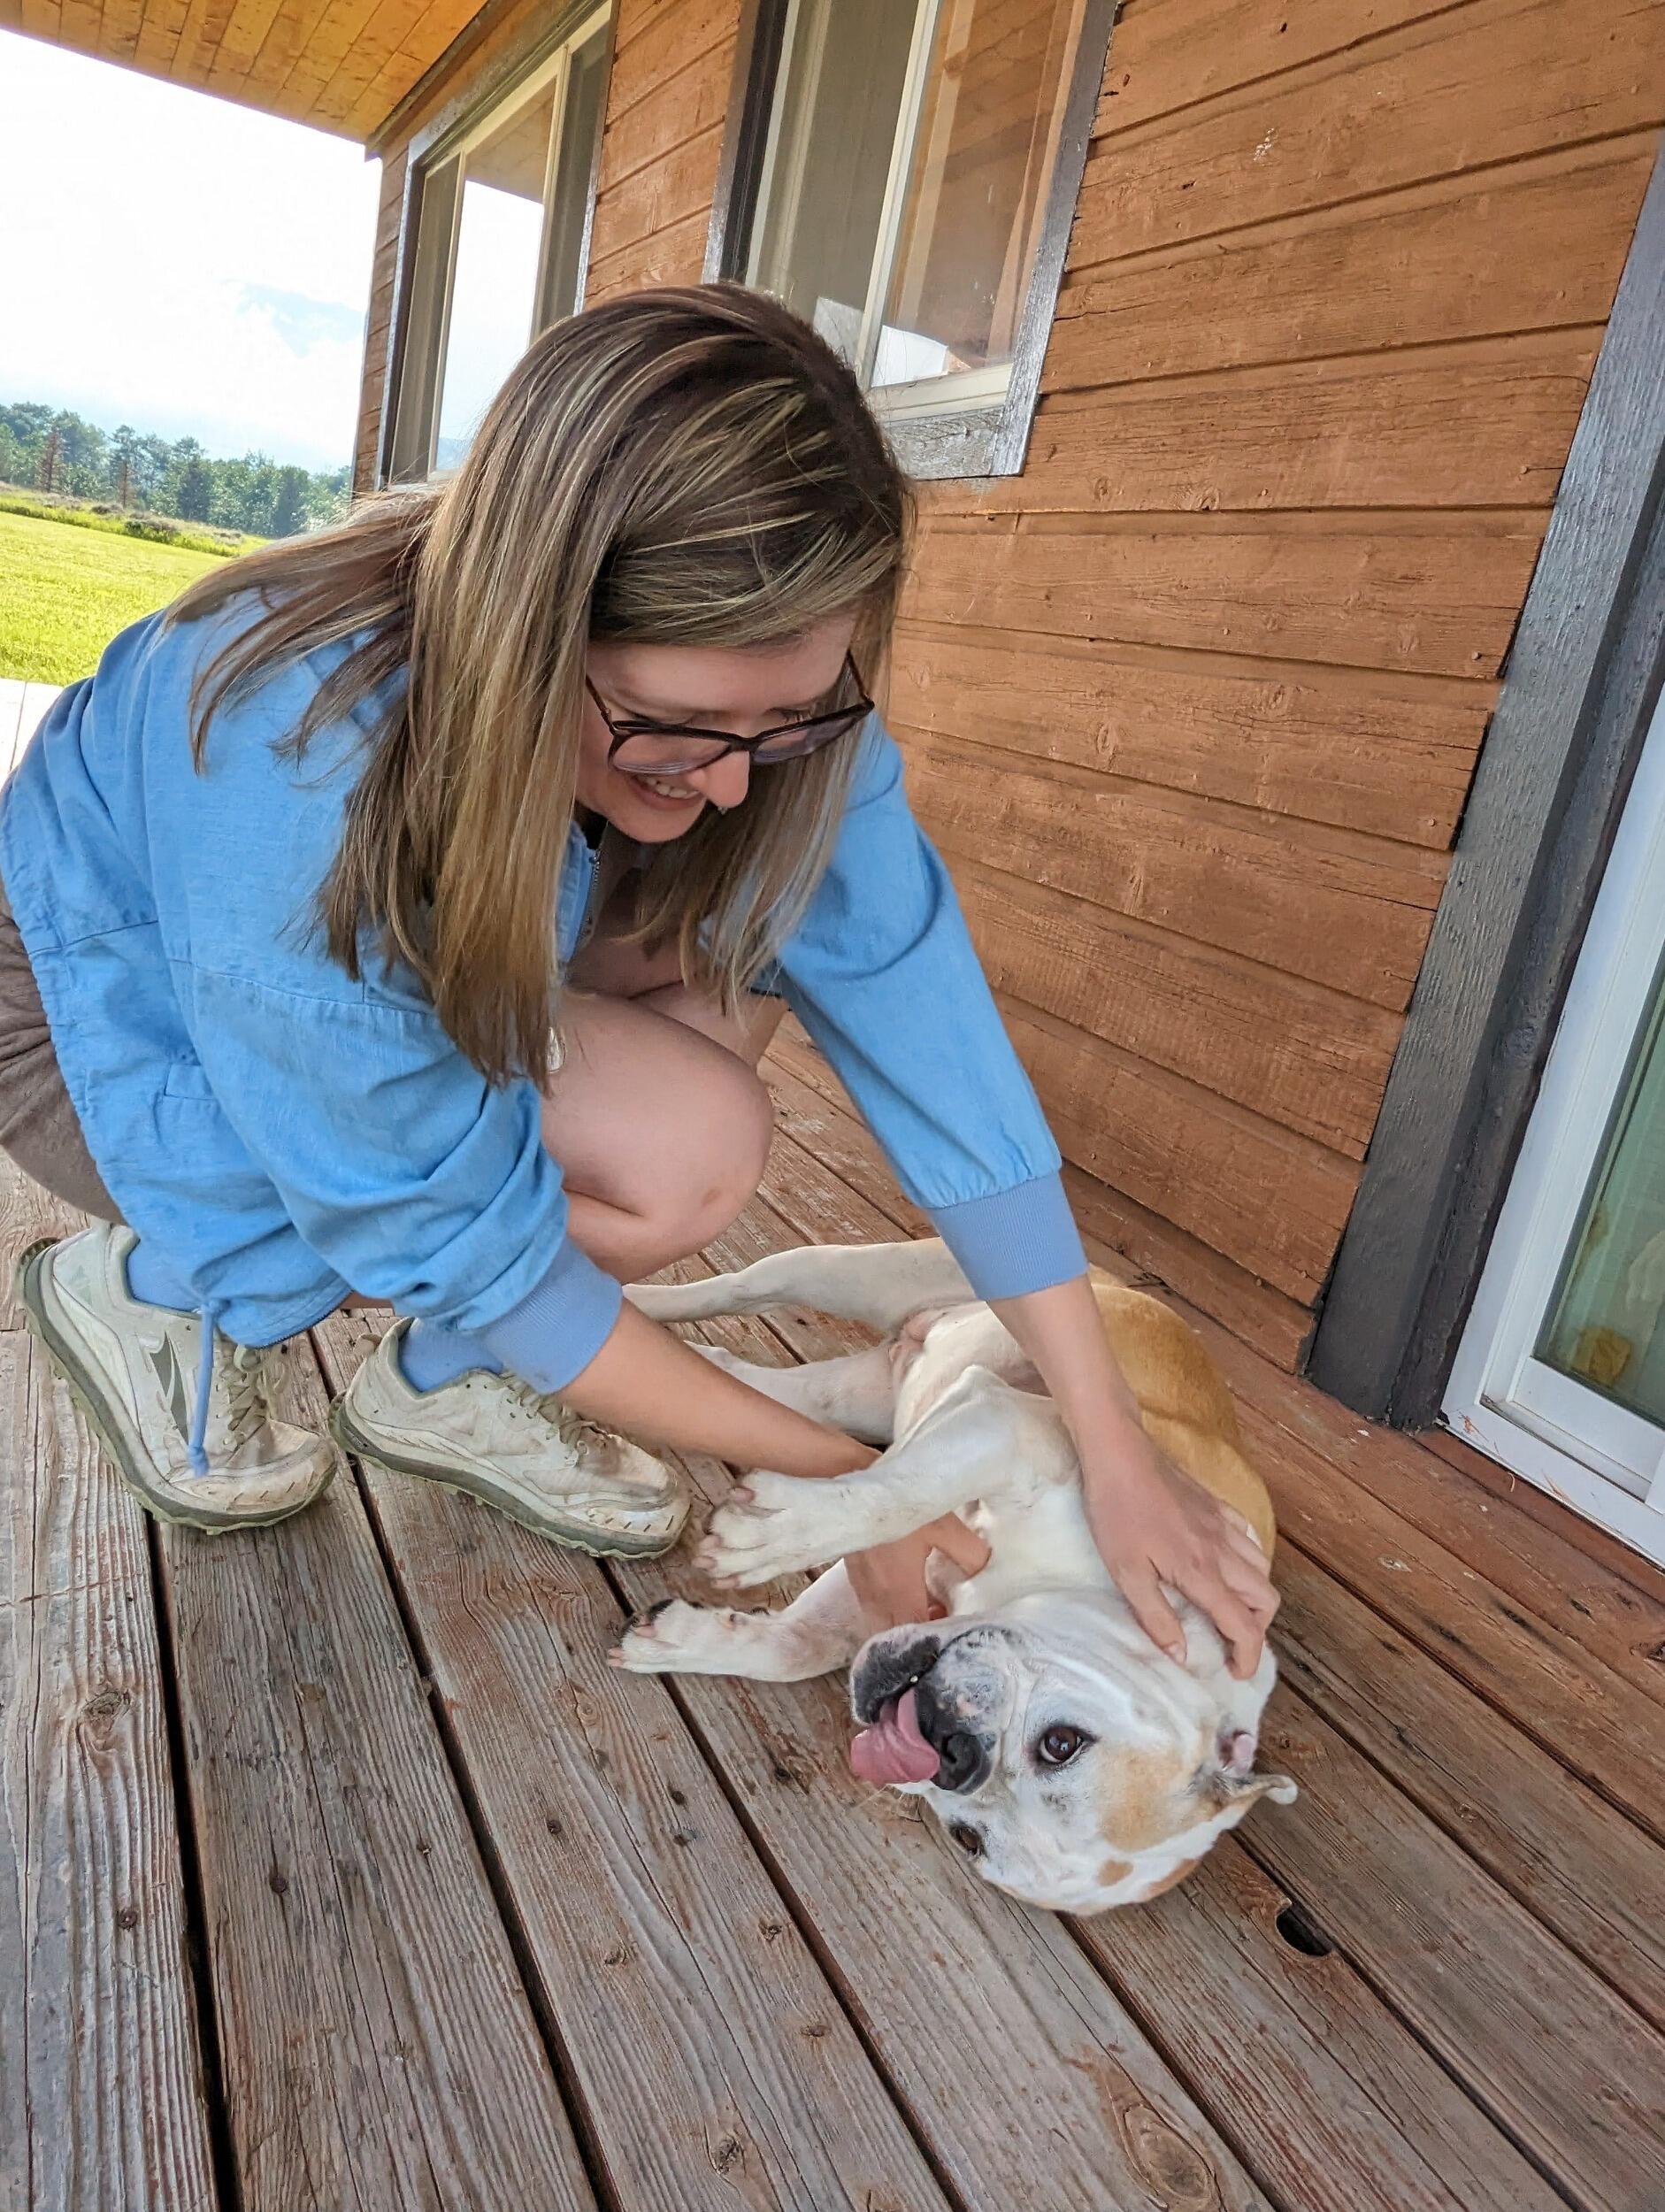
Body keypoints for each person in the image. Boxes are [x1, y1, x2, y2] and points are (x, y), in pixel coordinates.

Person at [0, 285, 1276, 1671]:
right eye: (683, 727)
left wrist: (1112, 1443)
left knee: (753, 942)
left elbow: (931, 1032)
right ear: (532, 626)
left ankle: (444, 1382)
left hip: (416, 966)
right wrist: (851, 1495)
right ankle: (162, 1291)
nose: (733, 779)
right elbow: (433, 1221)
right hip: (109, 1037)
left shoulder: (761, 725)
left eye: (788, 718)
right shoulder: (287, 754)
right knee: (677, 1146)